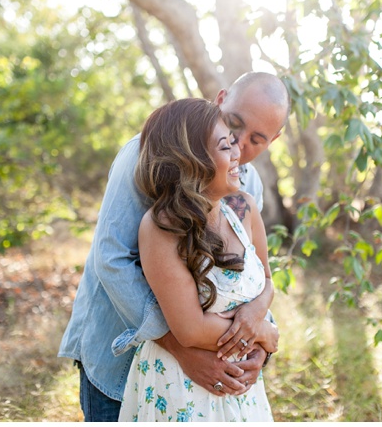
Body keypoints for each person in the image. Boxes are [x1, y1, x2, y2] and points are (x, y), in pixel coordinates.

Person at [58, 72, 290, 422]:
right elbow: (112, 259)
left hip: (216, 384)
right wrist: (182, 347)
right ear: (221, 99)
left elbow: (250, 277)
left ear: (275, 139)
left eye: (257, 139)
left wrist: (259, 339)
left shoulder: (246, 190)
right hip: (119, 356)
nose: (240, 145)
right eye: (234, 124)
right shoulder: (144, 155)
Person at [119, 98, 278, 421]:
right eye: (225, 147)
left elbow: (267, 281)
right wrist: (263, 333)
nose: (238, 155)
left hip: (243, 389)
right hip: (182, 387)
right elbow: (190, 329)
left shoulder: (244, 206)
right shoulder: (162, 228)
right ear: (192, 159)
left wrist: (259, 324)